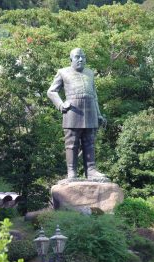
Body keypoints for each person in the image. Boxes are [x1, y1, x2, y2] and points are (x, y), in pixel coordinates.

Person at [47, 48, 107, 180]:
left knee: (89, 142)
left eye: (83, 57)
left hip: (90, 111)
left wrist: (99, 114)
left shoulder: (90, 73)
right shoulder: (63, 72)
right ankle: (72, 172)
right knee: (72, 143)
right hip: (73, 111)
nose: (81, 59)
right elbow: (51, 91)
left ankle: (91, 171)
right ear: (71, 59)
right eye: (77, 57)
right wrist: (61, 105)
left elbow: (94, 95)